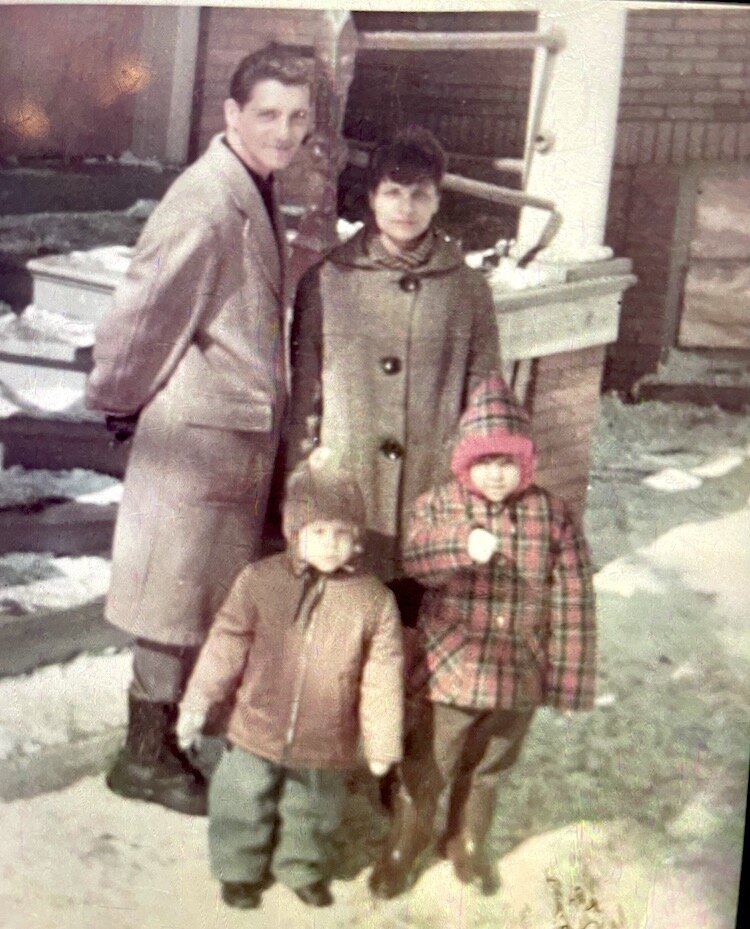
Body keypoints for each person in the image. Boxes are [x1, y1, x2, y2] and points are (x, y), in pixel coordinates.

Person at [85, 43, 313, 815]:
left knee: (198, 595)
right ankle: (142, 756)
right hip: (196, 430)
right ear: (231, 115)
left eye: (297, 118)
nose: (284, 132)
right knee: (169, 599)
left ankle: (178, 745)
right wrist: (120, 394)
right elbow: (148, 307)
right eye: (268, 115)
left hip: (232, 429)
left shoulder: (255, 183)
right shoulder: (208, 199)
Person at [369, 373, 597, 898]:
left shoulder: (551, 515)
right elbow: (418, 559)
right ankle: (406, 843)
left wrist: (566, 679)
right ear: (465, 463)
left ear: (526, 462)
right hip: (453, 667)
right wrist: (459, 545)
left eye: (507, 462)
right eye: (484, 462)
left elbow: (573, 600)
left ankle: (467, 840)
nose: (496, 475)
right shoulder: (440, 505)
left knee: (491, 763)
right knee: (431, 762)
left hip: (520, 669)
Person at [176, 448, 404, 909]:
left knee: (315, 812)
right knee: (241, 801)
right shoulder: (261, 580)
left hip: (327, 734)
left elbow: (382, 676)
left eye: (342, 533)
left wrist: (382, 744)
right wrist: (198, 701)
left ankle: (302, 867)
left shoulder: (372, 600)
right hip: (257, 722)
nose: (329, 543)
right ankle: (239, 869)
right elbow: (226, 643)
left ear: (357, 539)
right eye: (317, 531)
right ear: (294, 532)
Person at [288, 126, 499, 615]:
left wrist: (473, 489)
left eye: (420, 194)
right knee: (341, 626)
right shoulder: (327, 282)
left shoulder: (466, 290)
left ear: (437, 201)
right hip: (348, 491)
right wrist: (303, 491)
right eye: (393, 193)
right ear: (371, 199)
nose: (405, 207)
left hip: (431, 490)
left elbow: (485, 397)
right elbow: (305, 400)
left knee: (414, 625)